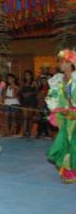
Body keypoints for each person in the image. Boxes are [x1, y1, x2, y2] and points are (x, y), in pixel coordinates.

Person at [46, 49, 76, 183]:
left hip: (73, 117)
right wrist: (54, 108)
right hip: (63, 116)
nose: (59, 64)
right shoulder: (57, 79)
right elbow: (52, 96)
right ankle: (68, 170)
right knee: (64, 143)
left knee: (73, 143)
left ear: (70, 63)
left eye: (62, 61)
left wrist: (71, 109)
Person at [19, 70, 38, 137]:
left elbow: (37, 91)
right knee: (25, 117)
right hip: (24, 101)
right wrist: (22, 93)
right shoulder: (23, 82)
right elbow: (20, 91)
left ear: (31, 75)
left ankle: (29, 132)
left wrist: (30, 93)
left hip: (32, 100)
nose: (27, 76)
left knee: (30, 116)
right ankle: (24, 132)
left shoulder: (34, 82)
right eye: (26, 74)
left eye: (28, 74)